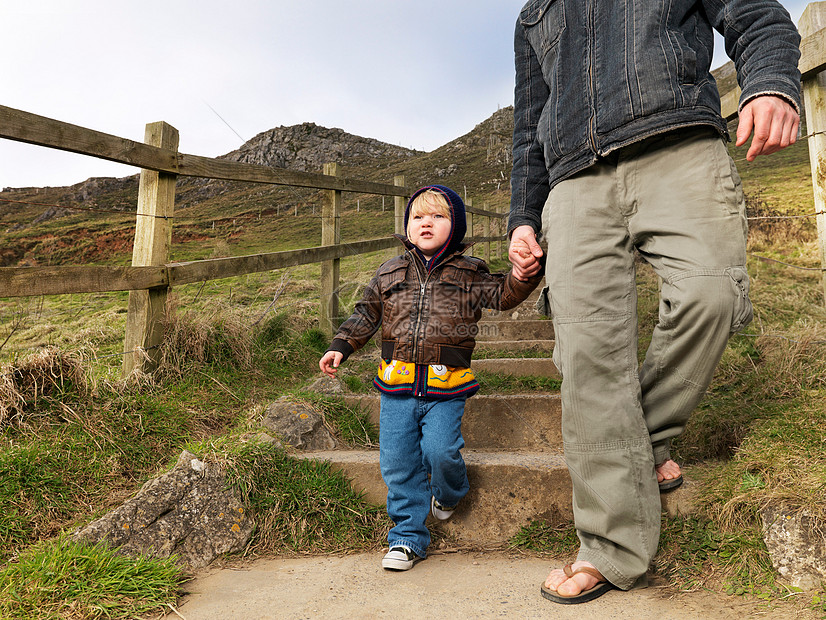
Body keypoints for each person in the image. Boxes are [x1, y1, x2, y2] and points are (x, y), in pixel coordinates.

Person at [507, 0, 802, 604]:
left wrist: (769, 83)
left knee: (712, 293)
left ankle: (641, 440)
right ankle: (611, 548)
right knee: (588, 355)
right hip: (572, 182)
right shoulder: (533, 15)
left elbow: (758, 17)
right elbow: (526, 125)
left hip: (677, 144)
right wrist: (522, 217)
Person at [320, 185, 543, 570]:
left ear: (454, 228)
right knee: (398, 462)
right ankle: (406, 537)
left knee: (440, 452)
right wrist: (342, 343)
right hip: (396, 385)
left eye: (438, 216)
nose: (427, 222)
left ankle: (450, 492)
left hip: (447, 384)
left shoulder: (470, 271)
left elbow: (502, 296)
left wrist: (522, 276)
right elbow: (366, 313)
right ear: (406, 227)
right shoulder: (389, 271)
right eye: (418, 216)